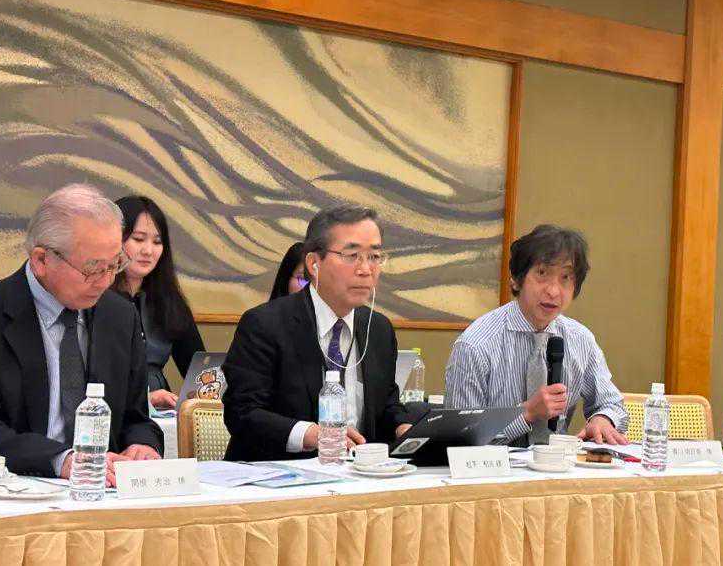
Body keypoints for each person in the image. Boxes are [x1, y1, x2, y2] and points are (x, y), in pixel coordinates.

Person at [0, 184, 162, 483]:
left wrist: (142, 445)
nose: (106, 281)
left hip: (100, 493)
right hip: (2, 491)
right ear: (42, 260)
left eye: (115, 265)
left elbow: (136, 418)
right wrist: (61, 460)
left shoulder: (119, 316)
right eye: (93, 268)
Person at [222, 205, 411, 460]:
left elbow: (385, 404)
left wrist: (403, 427)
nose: (366, 269)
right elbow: (242, 413)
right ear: (313, 263)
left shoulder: (378, 329)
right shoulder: (265, 324)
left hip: (357, 474)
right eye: (352, 255)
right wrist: (311, 434)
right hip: (277, 473)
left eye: (374, 256)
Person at [445, 224, 629, 446]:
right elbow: (459, 439)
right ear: (516, 278)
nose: (553, 291)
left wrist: (603, 419)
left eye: (565, 278)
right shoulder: (476, 344)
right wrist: (526, 414)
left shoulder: (581, 340)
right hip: (493, 466)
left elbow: (612, 404)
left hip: (558, 463)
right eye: (542, 273)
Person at [113, 195, 204, 410]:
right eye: (138, 239)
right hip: (112, 409)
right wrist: (144, 399)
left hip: (161, 413)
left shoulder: (168, 300)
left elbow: (199, 368)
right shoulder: (94, 299)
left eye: (157, 242)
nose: (148, 250)